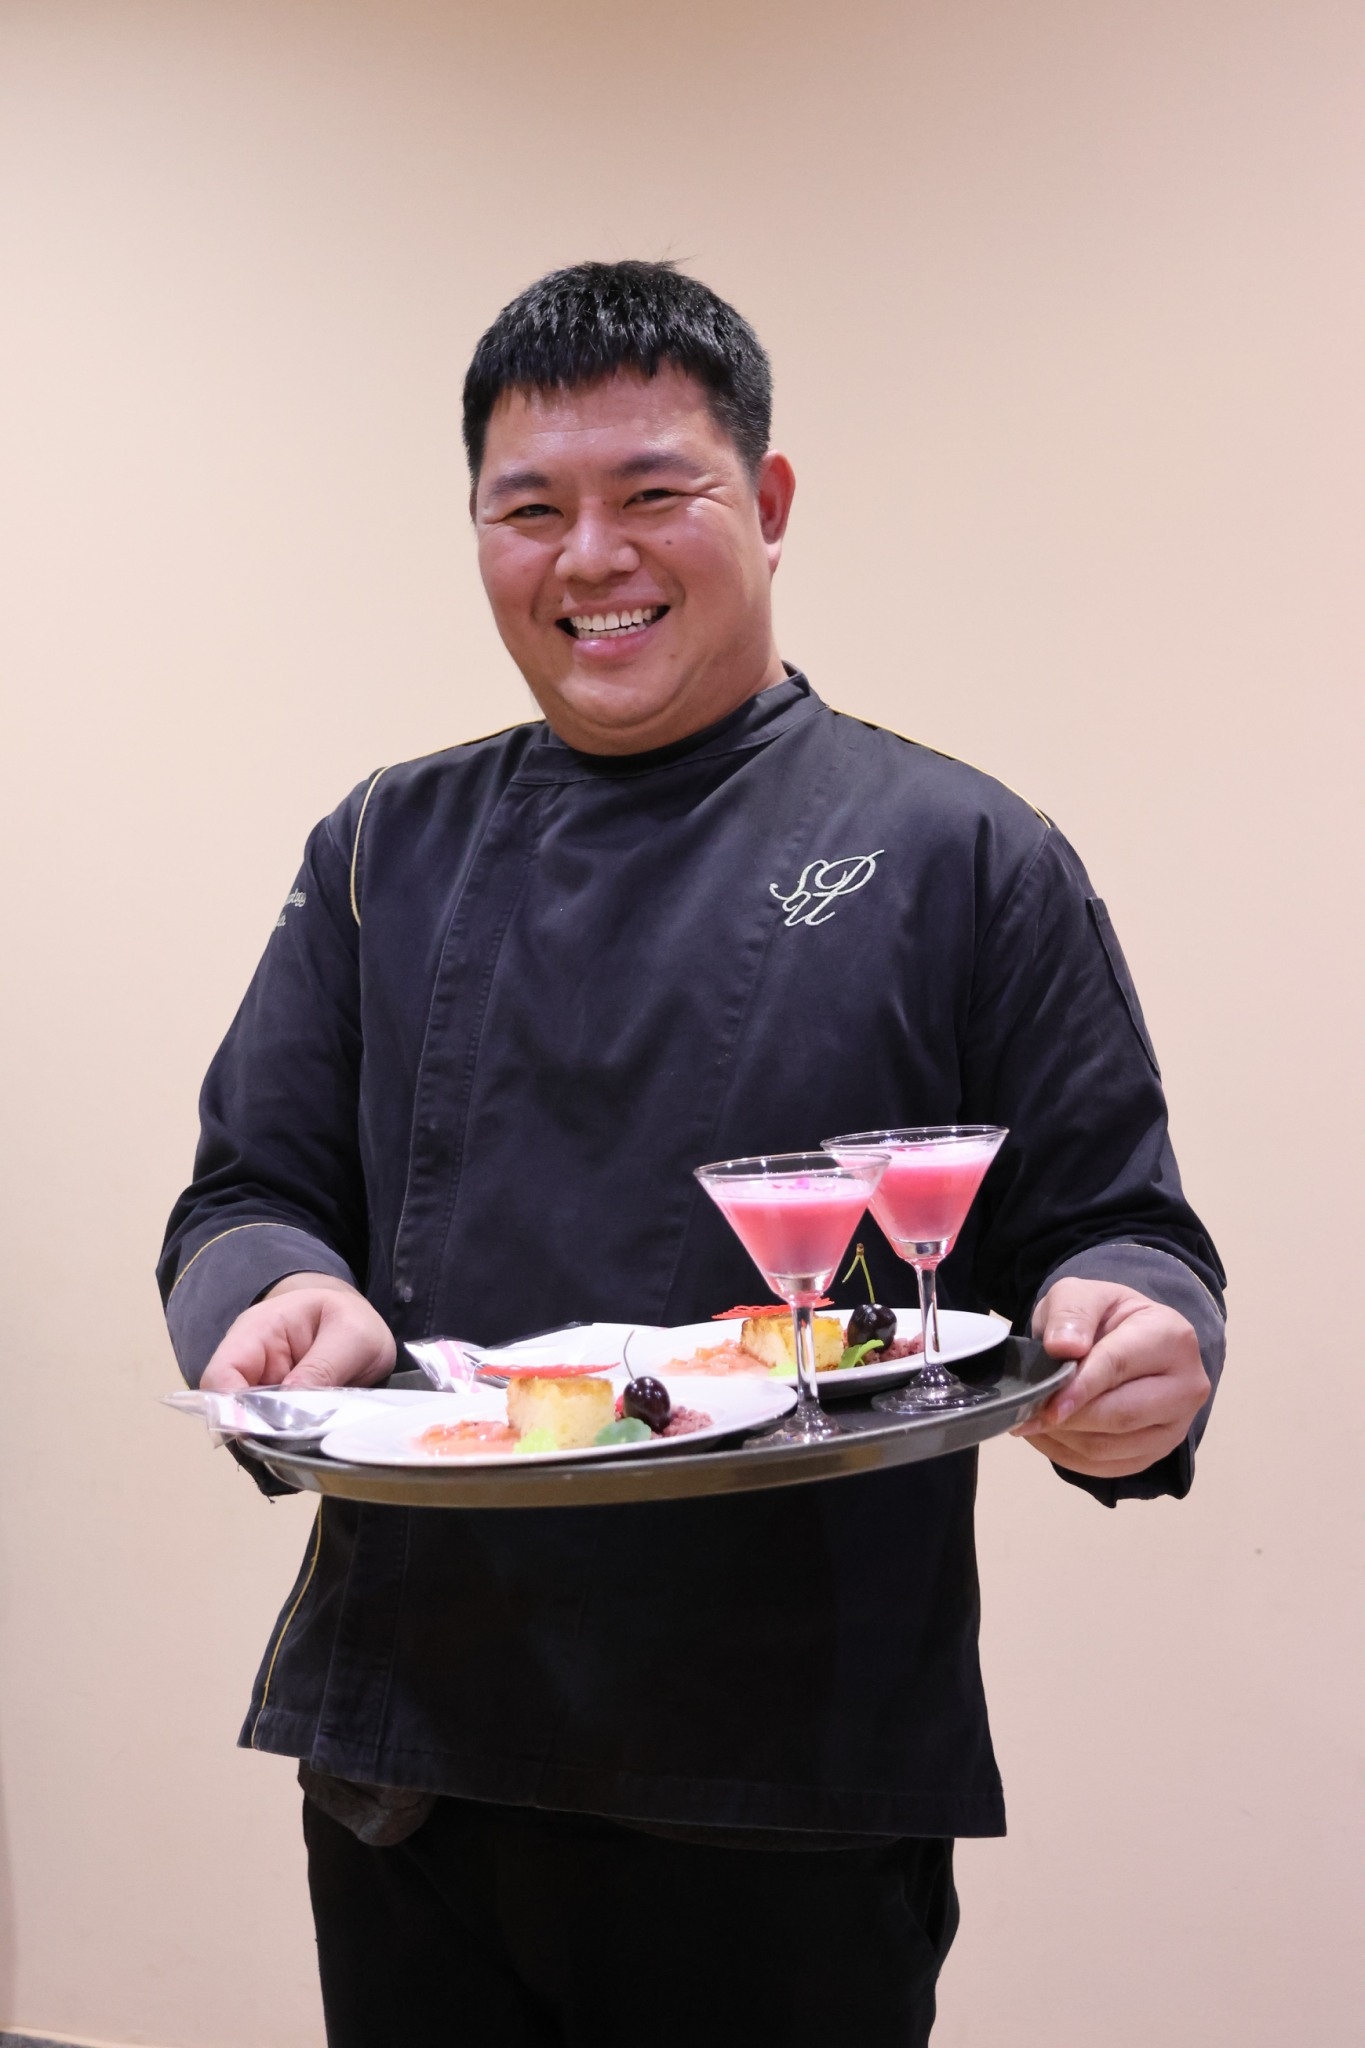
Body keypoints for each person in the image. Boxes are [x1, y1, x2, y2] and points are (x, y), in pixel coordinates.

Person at [160, 261, 1224, 2047]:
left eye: (653, 492)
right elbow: (246, 1192)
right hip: (416, 1753)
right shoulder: (380, 846)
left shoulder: (959, 852)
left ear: (769, 500)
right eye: (530, 510)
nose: (592, 557)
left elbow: (1118, 1227)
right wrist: (273, 1296)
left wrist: (1138, 1337)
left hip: (788, 1773)